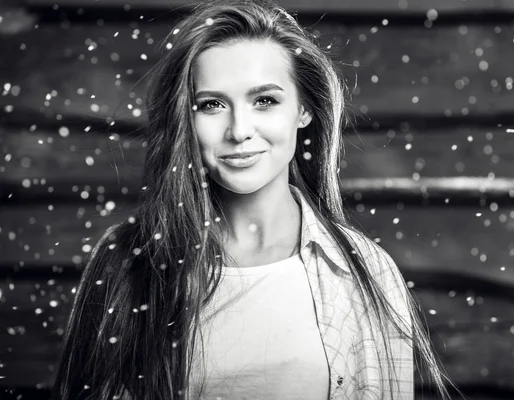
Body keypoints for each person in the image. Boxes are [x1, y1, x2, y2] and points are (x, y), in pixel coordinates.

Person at [52, 0, 460, 399]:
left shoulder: (367, 271)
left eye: (265, 100)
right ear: (184, 118)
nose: (239, 130)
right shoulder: (127, 262)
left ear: (303, 110)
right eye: (211, 104)